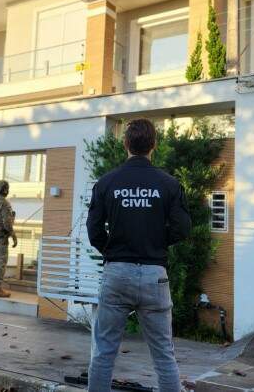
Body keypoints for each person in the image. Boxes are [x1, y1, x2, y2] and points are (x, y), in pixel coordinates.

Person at [86, 119, 192, 392]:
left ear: (126, 144)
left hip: (116, 273)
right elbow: (182, 229)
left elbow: (94, 230)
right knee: (164, 354)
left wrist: (112, 250)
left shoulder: (107, 183)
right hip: (154, 275)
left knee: (103, 351)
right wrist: (155, 243)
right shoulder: (169, 184)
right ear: (154, 145)